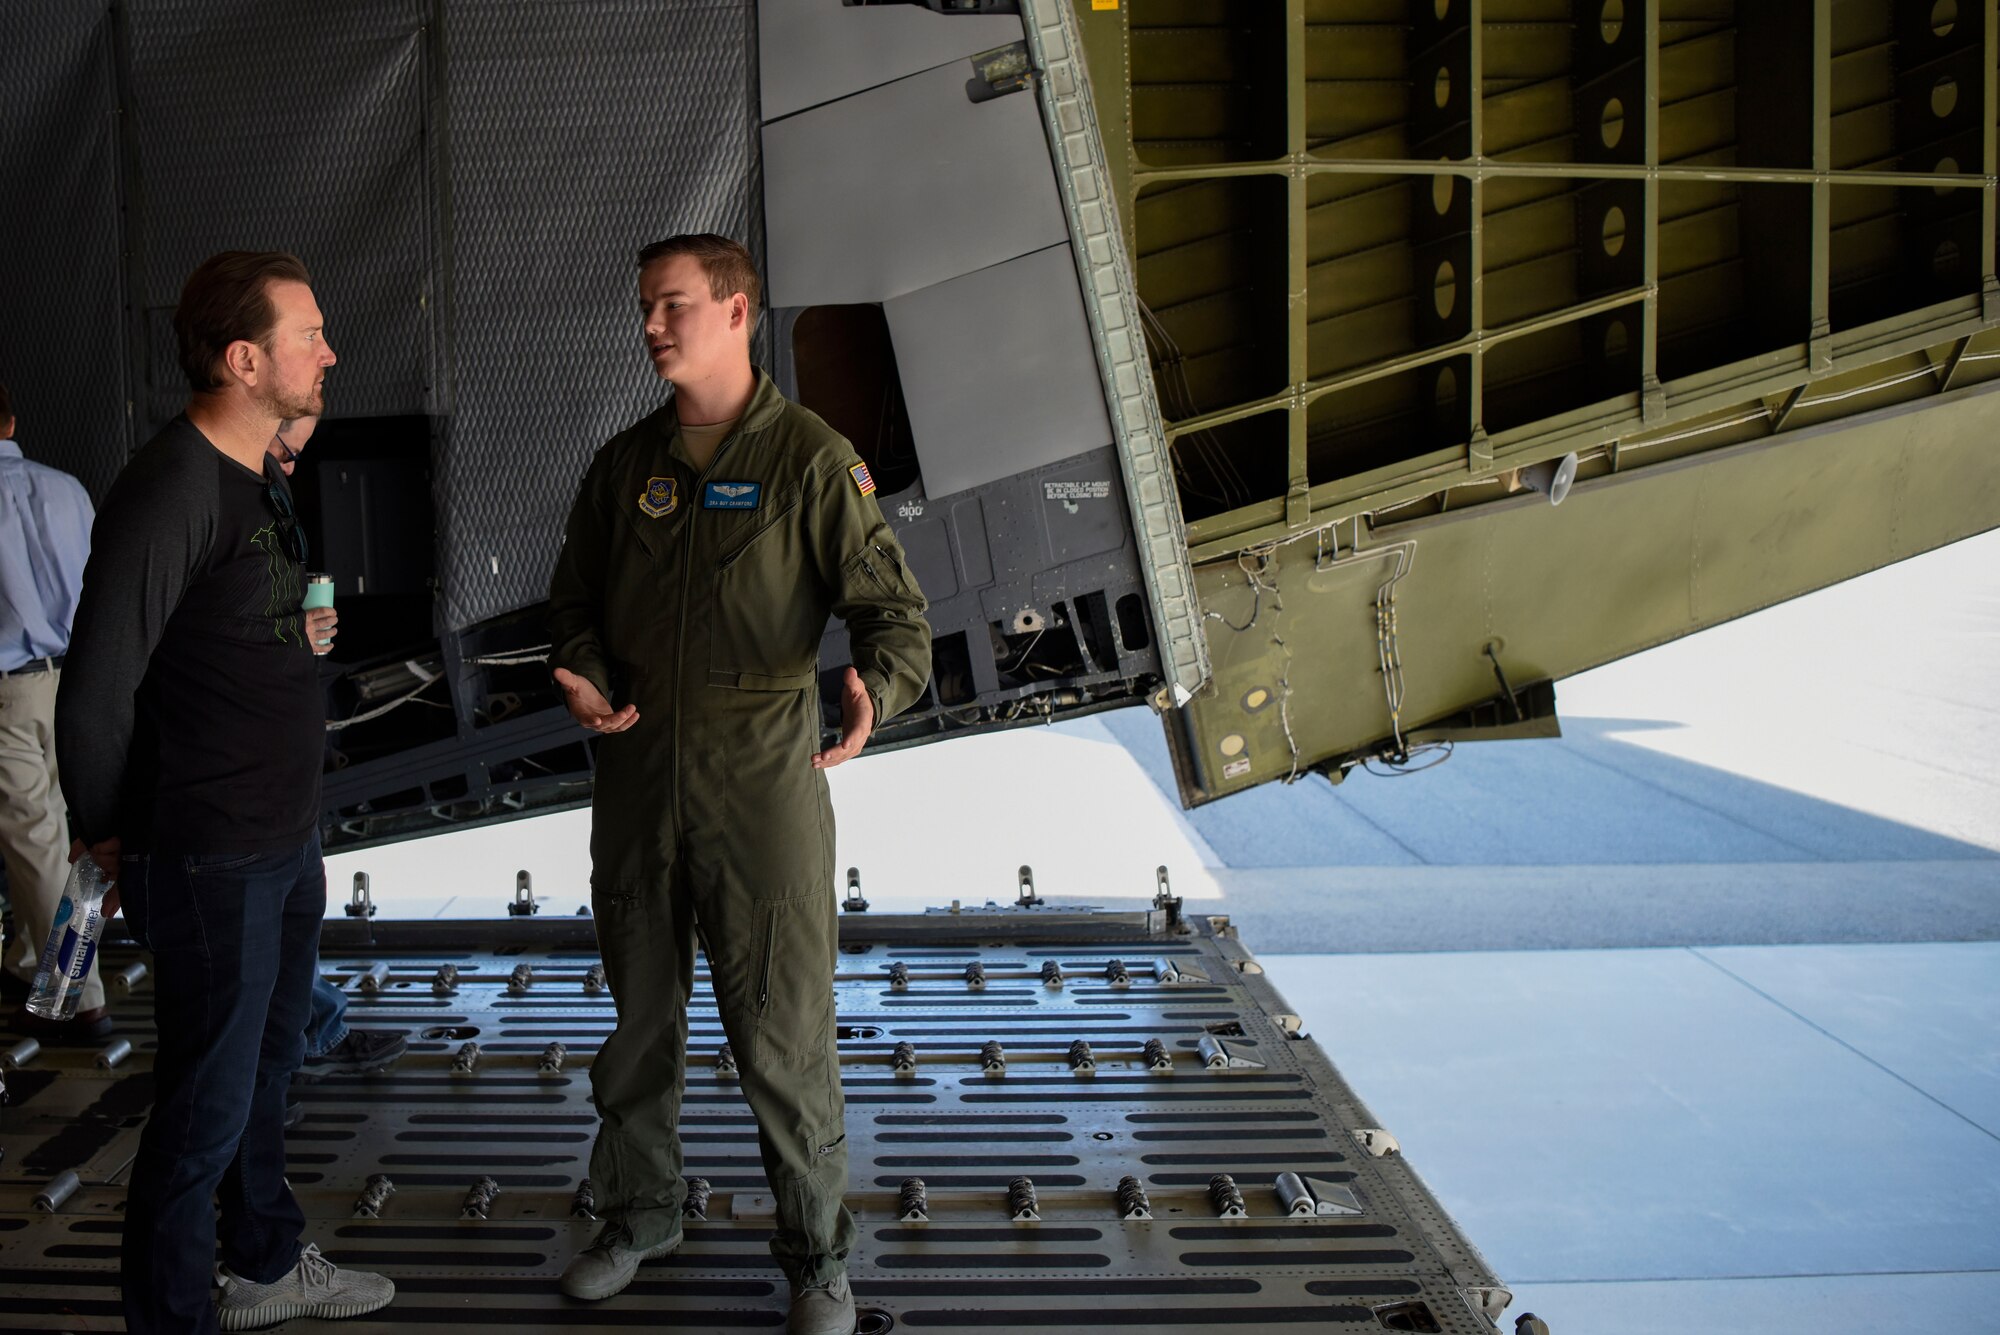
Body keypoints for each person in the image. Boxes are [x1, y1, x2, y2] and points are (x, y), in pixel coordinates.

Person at [547, 234, 931, 1333]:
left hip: (760, 789)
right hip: (633, 782)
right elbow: (569, 603)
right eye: (644, 308)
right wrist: (578, 673)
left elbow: (892, 615)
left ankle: (817, 1255)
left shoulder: (811, 461)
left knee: (780, 1030)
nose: (652, 327)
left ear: (736, 312)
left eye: (672, 306)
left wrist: (877, 692)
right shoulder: (625, 468)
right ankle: (637, 1214)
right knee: (637, 1026)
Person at [56, 251, 392, 1333]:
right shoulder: (168, 490)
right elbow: (97, 689)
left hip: (281, 838)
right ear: (245, 360)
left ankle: (262, 1263)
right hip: (207, 853)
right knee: (200, 1115)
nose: (329, 351)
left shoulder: (257, 478)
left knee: (265, 1080)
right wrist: (113, 836)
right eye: (309, 334)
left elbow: (237, 629)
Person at [263, 415, 410, 1091]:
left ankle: (310, 1035)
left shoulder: (267, 505)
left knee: (295, 910)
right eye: (286, 450)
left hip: (282, 751)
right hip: (249, 757)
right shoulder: (211, 504)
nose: (293, 466)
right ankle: (279, 1074)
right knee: (273, 916)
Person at [0, 382, 108, 1040]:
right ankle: (24, 959)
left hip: (7, 690)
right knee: (71, 838)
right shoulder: (68, 489)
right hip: (75, 681)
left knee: (33, 840)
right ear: (10, 420)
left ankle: (78, 994)